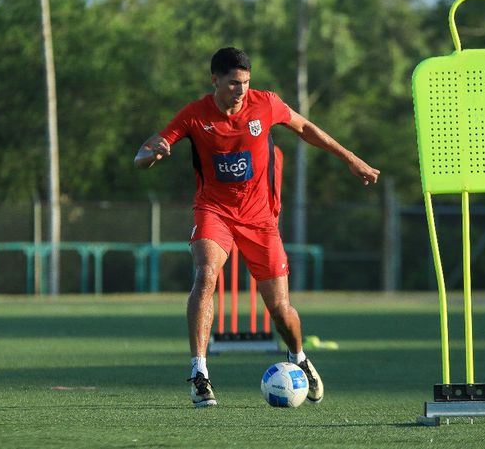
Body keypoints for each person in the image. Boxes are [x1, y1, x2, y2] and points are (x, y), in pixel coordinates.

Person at [134, 47, 380, 408]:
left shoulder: (265, 104)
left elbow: (306, 128)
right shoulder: (194, 115)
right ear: (215, 80)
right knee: (205, 275)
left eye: (246, 83)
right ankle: (199, 374)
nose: (241, 90)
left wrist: (352, 160)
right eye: (234, 83)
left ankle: (299, 358)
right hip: (214, 211)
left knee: (280, 308)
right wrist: (151, 154)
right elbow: (142, 157)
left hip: (260, 219)